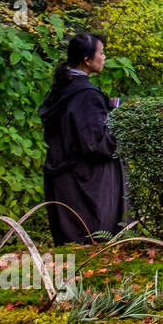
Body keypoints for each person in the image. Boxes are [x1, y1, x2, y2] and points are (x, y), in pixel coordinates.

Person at [38, 33, 128, 245]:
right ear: (87, 59)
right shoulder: (85, 94)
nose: (104, 57)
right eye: (101, 53)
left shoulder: (61, 88)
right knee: (91, 242)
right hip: (86, 182)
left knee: (71, 243)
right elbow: (95, 143)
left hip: (62, 180)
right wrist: (123, 131)